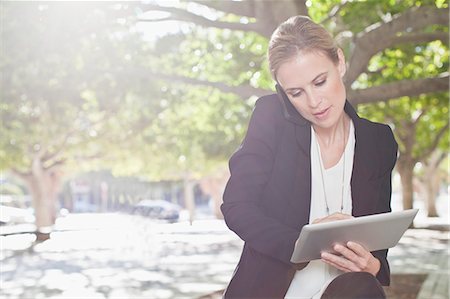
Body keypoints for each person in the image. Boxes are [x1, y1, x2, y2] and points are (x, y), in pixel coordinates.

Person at [221, 15, 398, 299]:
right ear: (282, 91)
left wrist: (374, 264)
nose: (314, 102)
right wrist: (300, 243)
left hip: (349, 291)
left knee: (366, 288)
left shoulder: (378, 141)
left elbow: (377, 236)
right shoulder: (271, 119)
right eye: (296, 92)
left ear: (339, 62)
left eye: (320, 81)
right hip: (273, 291)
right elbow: (236, 206)